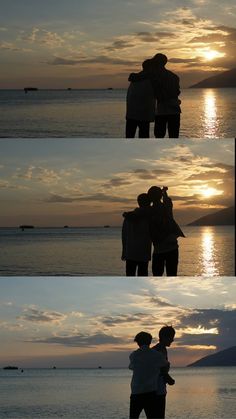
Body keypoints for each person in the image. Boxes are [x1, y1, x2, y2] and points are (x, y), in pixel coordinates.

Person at [129, 331, 168, 419]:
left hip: (136, 392)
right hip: (151, 392)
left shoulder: (133, 355)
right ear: (150, 342)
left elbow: (131, 367)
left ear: (137, 342)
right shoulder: (157, 355)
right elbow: (166, 364)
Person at [147, 185, 185, 276]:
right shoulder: (166, 207)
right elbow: (167, 199)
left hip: (160, 248)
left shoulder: (149, 211)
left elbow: (139, 211)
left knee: (157, 276)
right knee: (171, 275)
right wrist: (164, 192)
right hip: (170, 246)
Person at [151, 53, 181, 138]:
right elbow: (177, 92)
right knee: (174, 136)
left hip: (162, 110)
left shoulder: (154, 76)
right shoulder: (174, 77)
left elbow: (156, 93)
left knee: (159, 137)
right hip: (174, 109)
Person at [122, 193, 152, 276]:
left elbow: (124, 236)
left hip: (130, 252)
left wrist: (124, 252)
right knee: (142, 278)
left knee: (130, 277)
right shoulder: (148, 217)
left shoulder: (128, 217)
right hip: (143, 253)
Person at [126, 59, 156, 138]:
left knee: (129, 137)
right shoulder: (150, 80)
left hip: (131, 114)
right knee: (144, 138)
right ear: (151, 68)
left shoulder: (135, 79)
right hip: (143, 115)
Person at [152, 326, 176, 418]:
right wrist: (170, 380)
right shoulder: (159, 350)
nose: (172, 340)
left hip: (156, 388)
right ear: (165, 337)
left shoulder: (158, 349)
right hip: (157, 389)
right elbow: (161, 370)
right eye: (171, 337)